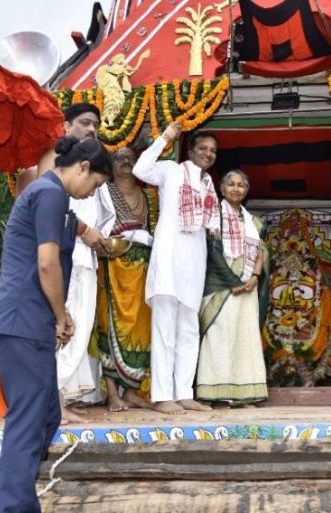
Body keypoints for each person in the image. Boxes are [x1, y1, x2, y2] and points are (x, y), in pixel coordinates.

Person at [0, 136, 113, 513]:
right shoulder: (50, 193)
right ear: (82, 167)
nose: (91, 193)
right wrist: (61, 316)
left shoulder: (54, 196)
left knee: (45, 417)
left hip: (27, 322)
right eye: (96, 184)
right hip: (24, 319)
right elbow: (47, 263)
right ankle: (17, 507)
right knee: (29, 420)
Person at [133, 121, 217, 415]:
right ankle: (161, 395)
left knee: (189, 330)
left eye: (212, 151)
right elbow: (140, 170)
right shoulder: (170, 171)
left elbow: (213, 227)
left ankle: (184, 392)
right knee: (165, 328)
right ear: (190, 151)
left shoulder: (208, 184)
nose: (207, 154)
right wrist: (165, 138)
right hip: (169, 260)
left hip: (194, 262)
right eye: (202, 148)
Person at [56, 104, 116, 421]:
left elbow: (106, 215)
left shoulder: (94, 169)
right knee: (59, 326)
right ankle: (53, 398)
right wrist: (84, 230)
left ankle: (60, 396)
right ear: (66, 126)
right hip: (61, 257)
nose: (92, 129)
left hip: (86, 258)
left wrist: (100, 237)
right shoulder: (54, 164)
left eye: (95, 124)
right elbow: (52, 206)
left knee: (78, 327)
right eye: (84, 123)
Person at [93, 147, 158, 411]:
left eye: (132, 158)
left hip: (143, 266)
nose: (127, 162)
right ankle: (112, 394)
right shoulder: (103, 191)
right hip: (113, 264)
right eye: (120, 158)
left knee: (141, 330)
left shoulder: (148, 196)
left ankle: (131, 391)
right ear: (112, 163)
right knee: (110, 326)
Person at [197, 169, 269, 406]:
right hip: (220, 285)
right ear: (222, 188)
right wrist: (232, 281)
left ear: (246, 191)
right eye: (231, 184)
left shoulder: (254, 222)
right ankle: (214, 392)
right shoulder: (212, 216)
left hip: (247, 285)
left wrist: (255, 277)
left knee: (243, 339)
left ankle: (243, 393)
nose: (236, 189)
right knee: (218, 337)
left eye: (241, 185)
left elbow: (261, 251)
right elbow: (210, 251)